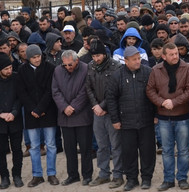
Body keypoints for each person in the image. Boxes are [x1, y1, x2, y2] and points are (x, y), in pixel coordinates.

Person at [146, 43, 189, 191]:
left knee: (183, 150)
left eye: (177, 53)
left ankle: (182, 178)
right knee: (167, 151)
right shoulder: (156, 70)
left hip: (182, 116)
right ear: (164, 56)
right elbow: (150, 90)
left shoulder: (188, 68)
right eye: (172, 54)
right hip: (163, 117)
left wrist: (173, 102)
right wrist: (162, 103)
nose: (175, 56)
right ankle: (168, 180)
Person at [107, 46, 156, 191]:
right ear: (126, 61)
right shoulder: (117, 76)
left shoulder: (148, 72)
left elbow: (155, 93)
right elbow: (111, 99)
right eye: (134, 59)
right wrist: (115, 120)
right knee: (129, 153)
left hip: (146, 120)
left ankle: (146, 178)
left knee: (148, 152)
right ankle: (131, 179)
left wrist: (155, 115)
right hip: (126, 122)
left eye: (138, 58)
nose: (137, 61)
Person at [17, 45, 59, 187]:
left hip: (48, 111)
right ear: (28, 58)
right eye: (34, 57)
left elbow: (50, 90)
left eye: (38, 56)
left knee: (51, 145)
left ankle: (52, 173)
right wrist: (33, 109)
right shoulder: (22, 70)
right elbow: (21, 92)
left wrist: (40, 108)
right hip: (31, 113)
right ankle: (37, 175)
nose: (37, 59)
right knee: (34, 146)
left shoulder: (50, 68)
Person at [85, 40, 124, 188]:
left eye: (98, 55)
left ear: (105, 53)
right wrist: (95, 105)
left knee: (116, 145)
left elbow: (115, 91)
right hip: (97, 113)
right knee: (101, 145)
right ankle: (103, 174)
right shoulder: (90, 66)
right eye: (94, 56)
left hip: (112, 111)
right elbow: (88, 88)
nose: (96, 59)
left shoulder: (116, 67)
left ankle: (118, 175)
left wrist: (102, 106)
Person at [51, 50, 93, 186]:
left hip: (82, 116)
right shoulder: (58, 71)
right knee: (69, 149)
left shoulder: (86, 69)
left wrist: (73, 107)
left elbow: (86, 91)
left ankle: (87, 175)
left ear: (77, 61)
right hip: (65, 117)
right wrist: (64, 107)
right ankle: (72, 175)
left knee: (85, 148)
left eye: (70, 64)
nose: (68, 67)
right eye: (65, 65)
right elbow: (55, 91)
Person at [0, 52, 24, 189]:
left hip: (15, 119)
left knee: (17, 150)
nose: (9, 71)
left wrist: (13, 112)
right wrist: (0, 113)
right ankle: (4, 176)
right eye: (6, 69)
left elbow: (20, 98)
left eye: (10, 68)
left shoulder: (16, 77)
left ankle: (17, 175)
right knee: (0, 151)